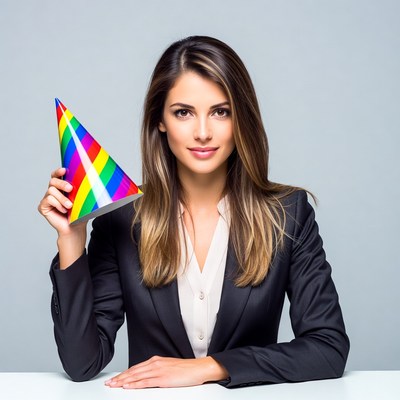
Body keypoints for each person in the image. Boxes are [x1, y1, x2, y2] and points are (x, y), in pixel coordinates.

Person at [38, 35, 349, 389]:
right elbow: (82, 363)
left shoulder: (288, 213)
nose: (203, 132)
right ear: (160, 120)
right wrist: (71, 239)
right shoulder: (121, 220)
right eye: (183, 112)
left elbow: (328, 348)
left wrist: (211, 367)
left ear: (241, 119)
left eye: (221, 112)